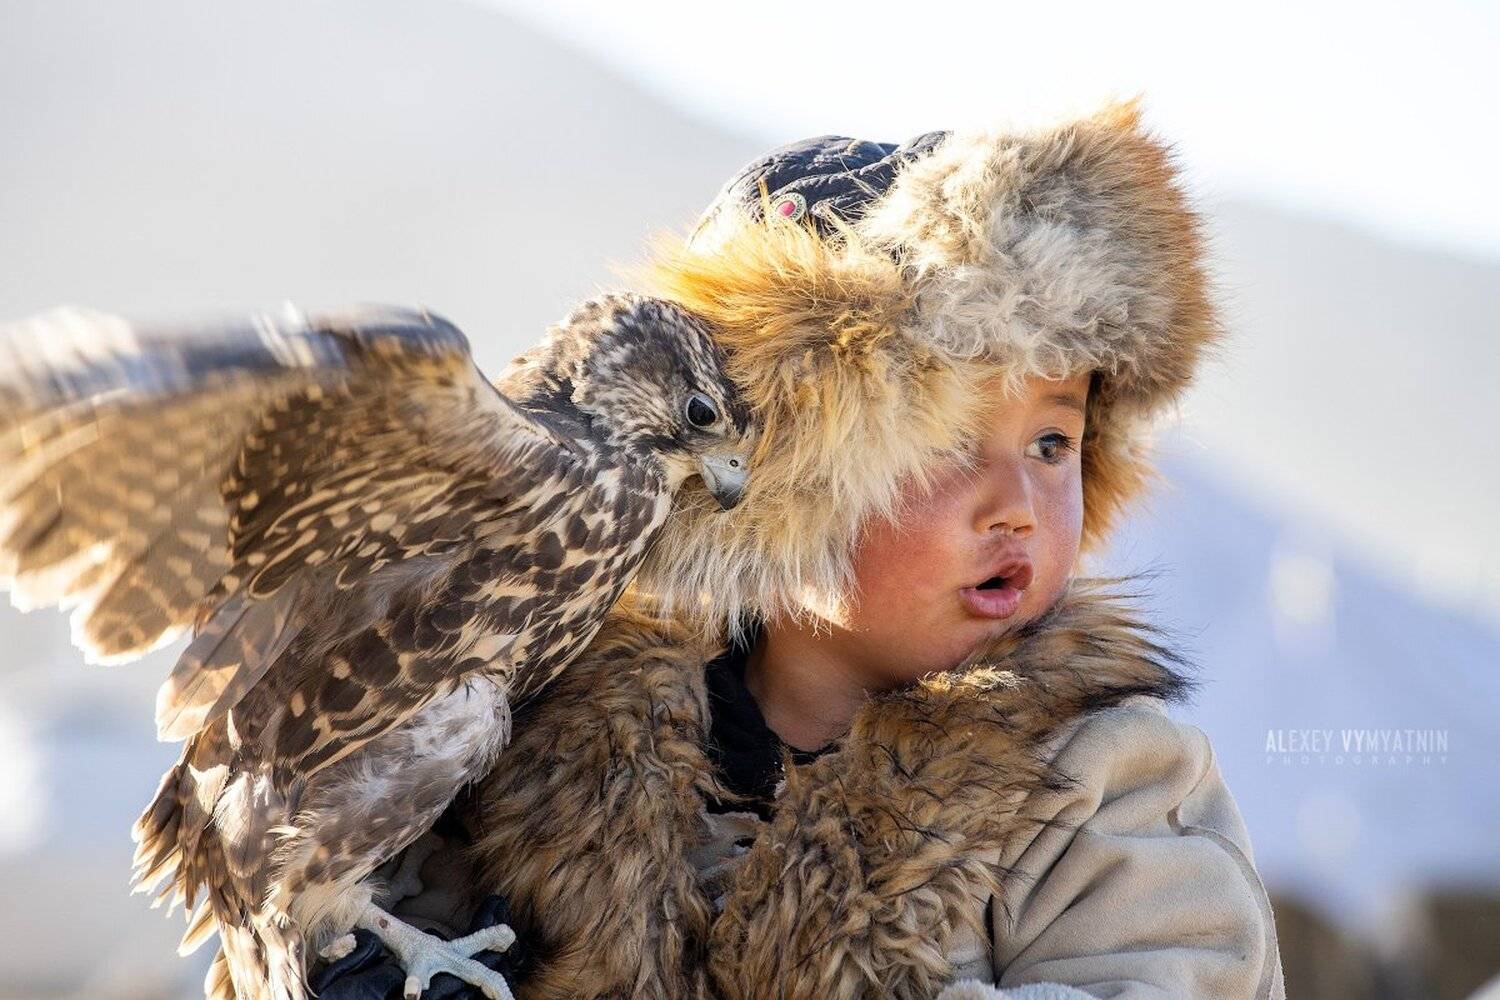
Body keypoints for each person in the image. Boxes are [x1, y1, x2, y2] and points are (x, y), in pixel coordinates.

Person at [315, 98, 1285, 999]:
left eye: (1052, 444)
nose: (1018, 507)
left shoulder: (1104, 783)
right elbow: (352, 906)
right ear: (764, 477)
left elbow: (1169, 972)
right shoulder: (521, 734)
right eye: (944, 441)